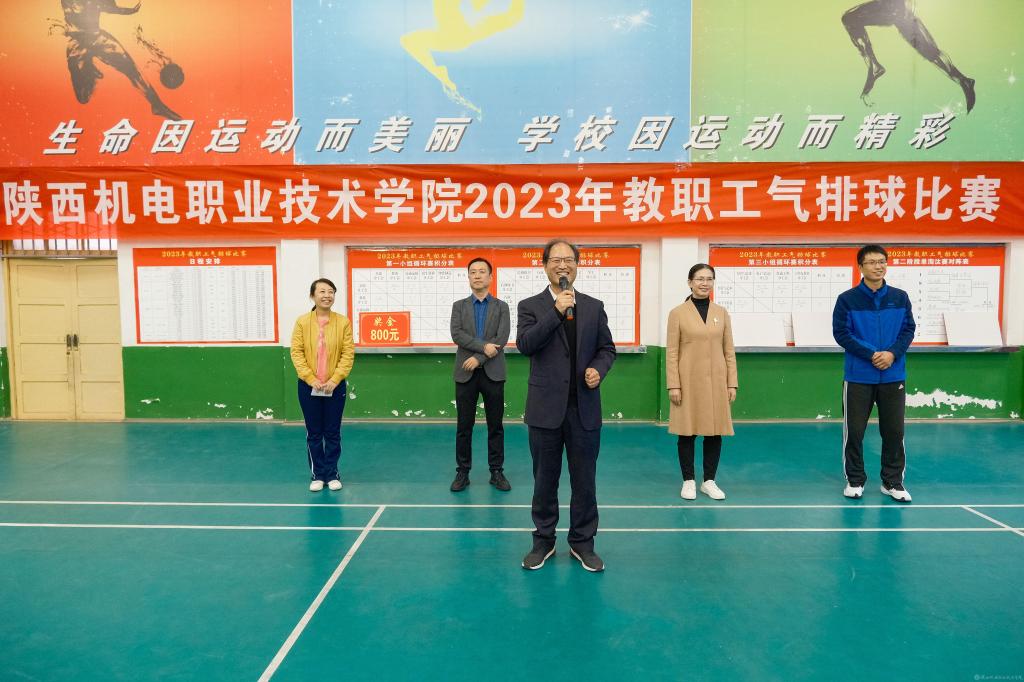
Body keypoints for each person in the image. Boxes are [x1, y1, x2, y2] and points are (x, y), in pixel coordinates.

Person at [517, 239, 616, 572]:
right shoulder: (530, 306)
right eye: (556, 260)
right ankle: (543, 542)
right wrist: (556, 311)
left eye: (569, 259)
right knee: (544, 481)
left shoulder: (594, 306)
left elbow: (607, 349)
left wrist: (598, 369)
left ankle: (582, 543)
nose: (563, 265)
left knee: (585, 481)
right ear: (544, 264)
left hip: (584, 409)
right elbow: (526, 344)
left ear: (577, 264)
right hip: (545, 409)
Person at [832, 245, 916, 503]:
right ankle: (855, 480)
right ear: (861, 267)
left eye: (882, 261)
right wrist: (872, 354)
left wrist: (891, 354)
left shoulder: (900, 297)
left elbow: (908, 330)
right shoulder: (847, 299)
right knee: (854, 432)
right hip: (859, 376)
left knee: (894, 431)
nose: (878, 266)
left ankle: (892, 482)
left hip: (893, 374)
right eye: (872, 262)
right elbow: (842, 333)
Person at [665, 264, 738, 501]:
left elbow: (729, 350)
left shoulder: (721, 313)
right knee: (687, 432)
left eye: (709, 279)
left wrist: (732, 383)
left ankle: (709, 481)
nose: (704, 283)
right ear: (690, 282)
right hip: (687, 381)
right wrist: (674, 384)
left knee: (714, 432)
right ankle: (688, 480)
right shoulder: (677, 313)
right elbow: (672, 352)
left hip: (717, 381)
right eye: (699, 279)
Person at [841, 0, 975, 112]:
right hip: (892, 7)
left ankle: (962, 80)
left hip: (898, 8)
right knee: (849, 19)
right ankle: (962, 80)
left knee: (930, 51)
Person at [57, 0, 182, 120]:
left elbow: (109, 7)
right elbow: (88, 7)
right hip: (77, 43)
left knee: (132, 69)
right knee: (83, 98)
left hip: (97, 37)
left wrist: (127, 10)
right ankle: (89, 70)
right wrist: (125, 10)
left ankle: (157, 105)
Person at [449, 257, 511, 492]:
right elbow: (457, 334)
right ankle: (462, 472)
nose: (477, 275)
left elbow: (501, 338)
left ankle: (496, 471)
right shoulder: (459, 306)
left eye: (482, 271)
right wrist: (483, 347)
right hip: (465, 374)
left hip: (493, 373)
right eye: (473, 272)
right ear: (468, 277)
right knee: (464, 426)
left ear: (490, 277)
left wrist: (479, 358)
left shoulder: (502, 306)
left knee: (495, 426)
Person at [290, 278, 355, 492]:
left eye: (331, 292)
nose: (327, 295)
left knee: (333, 432)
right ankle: (317, 475)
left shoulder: (343, 322)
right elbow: (296, 352)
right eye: (322, 291)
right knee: (314, 432)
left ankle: (332, 473)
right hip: (308, 386)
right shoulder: (302, 322)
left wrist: (335, 379)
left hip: (335, 387)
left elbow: (348, 353)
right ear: (313, 296)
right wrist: (311, 379)